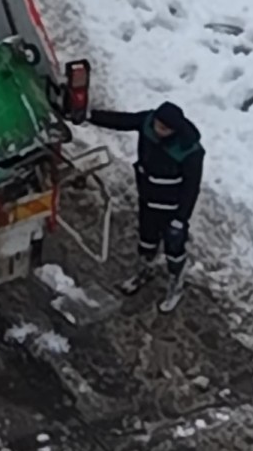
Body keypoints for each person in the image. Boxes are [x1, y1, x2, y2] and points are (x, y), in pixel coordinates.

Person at [83, 100, 205, 313]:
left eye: (164, 129)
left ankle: (176, 281)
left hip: (171, 207)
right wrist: (90, 116)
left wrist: (181, 219)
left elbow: (191, 188)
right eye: (157, 125)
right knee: (146, 240)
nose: (158, 130)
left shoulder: (190, 151)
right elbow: (122, 121)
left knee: (174, 248)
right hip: (148, 199)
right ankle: (145, 269)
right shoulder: (148, 122)